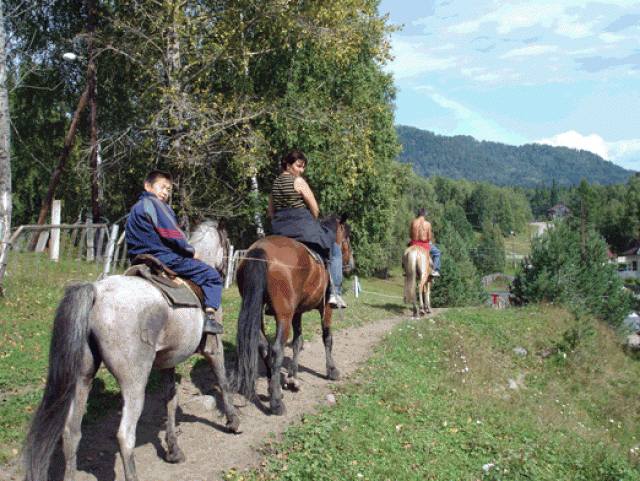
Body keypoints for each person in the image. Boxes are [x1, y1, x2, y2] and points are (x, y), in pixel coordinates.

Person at [125, 170, 224, 335]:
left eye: (168, 189)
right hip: (163, 258)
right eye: (161, 187)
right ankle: (209, 319)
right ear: (147, 186)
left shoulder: (135, 209)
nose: (165, 192)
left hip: (137, 259)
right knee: (212, 275)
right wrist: (191, 251)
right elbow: (172, 234)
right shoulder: (156, 205)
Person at [267, 149, 347, 309]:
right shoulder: (299, 182)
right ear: (288, 165)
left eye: (303, 167)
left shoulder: (275, 183)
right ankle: (335, 293)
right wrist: (310, 222)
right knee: (336, 250)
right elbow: (315, 209)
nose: (301, 170)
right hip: (301, 224)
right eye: (298, 166)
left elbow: (270, 212)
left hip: (279, 227)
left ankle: (270, 301)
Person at [409, 207, 441, 277]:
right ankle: (434, 270)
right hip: (424, 245)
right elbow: (429, 237)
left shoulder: (413, 223)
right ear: (425, 214)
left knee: (406, 252)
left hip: (414, 244)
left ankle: (406, 269)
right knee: (437, 252)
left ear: (418, 214)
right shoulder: (428, 224)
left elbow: (410, 235)